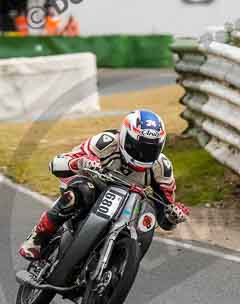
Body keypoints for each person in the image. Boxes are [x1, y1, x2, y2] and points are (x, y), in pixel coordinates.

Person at [19, 110, 190, 259]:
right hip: (92, 189)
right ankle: (38, 237)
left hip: (128, 207)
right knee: (80, 191)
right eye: (138, 146)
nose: (143, 154)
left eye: (151, 149)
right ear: (125, 137)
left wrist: (172, 216)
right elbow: (55, 164)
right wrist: (79, 163)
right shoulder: (106, 142)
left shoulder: (162, 167)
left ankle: (121, 262)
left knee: (147, 218)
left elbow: (164, 215)